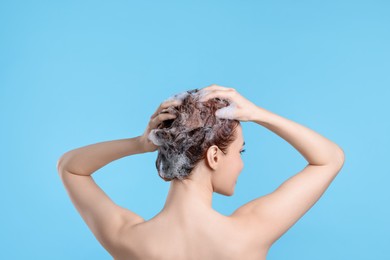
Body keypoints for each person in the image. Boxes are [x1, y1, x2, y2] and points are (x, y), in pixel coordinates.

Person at [57, 84, 345, 260]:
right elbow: (329, 158)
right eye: (240, 152)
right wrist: (258, 113)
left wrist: (142, 143)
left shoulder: (128, 238)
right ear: (215, 156)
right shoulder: (249, 233)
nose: (242, 164)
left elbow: (70, 168)